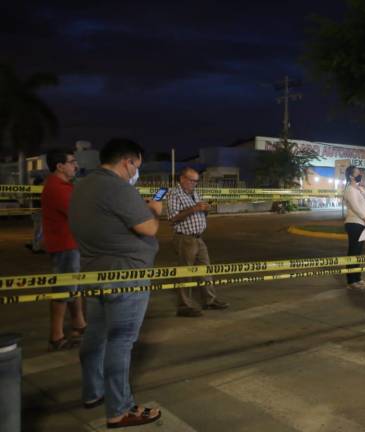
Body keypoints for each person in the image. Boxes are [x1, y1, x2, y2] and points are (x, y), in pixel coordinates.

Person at [69, 138, 162, 428]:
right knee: (120, 341)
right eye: (137, 166)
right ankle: (119, 409)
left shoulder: (82, 186)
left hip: (95, 273)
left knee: (95, 335)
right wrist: (155, 208)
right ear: (128, 162)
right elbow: (148, 227)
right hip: (126, 276)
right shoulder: (118, 187)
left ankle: (93, 392)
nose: (137, 172)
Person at [41, 149, 87, 351]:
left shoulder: (64, 185)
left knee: (73, 287)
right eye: (72, 162)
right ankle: (56, 335)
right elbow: (77, 212)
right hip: (65, 245)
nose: (75, 166)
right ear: (59, 166)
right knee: (63, 289)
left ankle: (79, 323)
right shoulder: (57, 187)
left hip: (71, 243)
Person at [167, 167, 229, 317]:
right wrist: (194, 208)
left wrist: (205, 209)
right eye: (191, 180)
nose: (194, 184)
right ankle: (184, 306)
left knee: (205, 269)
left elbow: (199, 212)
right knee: (185, 272)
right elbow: (173, 218)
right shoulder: (173, 194)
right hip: (185, 238)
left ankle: (210, 300)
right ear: (182, 179)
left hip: (198, 237)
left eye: (196, 181)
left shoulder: (194, 193)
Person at [342, 165, 365, 289]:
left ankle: (358, 278)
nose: (360, 174)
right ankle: (351, 281)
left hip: (362, 223)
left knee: (358, 252)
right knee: (353, 252)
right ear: (351, 176)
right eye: (357, 172)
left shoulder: (359, 189)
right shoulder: (349, 189)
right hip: (354, 223)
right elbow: (355, 207)